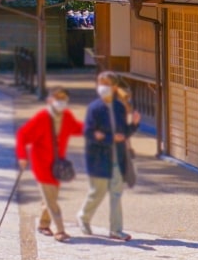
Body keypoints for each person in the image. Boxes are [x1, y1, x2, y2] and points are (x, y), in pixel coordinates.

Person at [16, 86, 82, 239]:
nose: (60, 101)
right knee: (50, 198)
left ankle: (43, 224)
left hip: (57, 165)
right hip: (41, 163)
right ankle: (60, 230)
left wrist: (95, 130)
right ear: (50, 100)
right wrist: (22, 156)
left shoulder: (66, 116)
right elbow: (23, 135)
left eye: (63, 98)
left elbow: (77, 127)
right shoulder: (42, 117)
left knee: (51, 197)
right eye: (57, 98)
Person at [78, 71, 133, 241]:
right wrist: (109, 138)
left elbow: (123, 132)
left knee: (116, 194)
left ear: (114, 87)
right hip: (99, 157)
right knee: (98, 192)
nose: (102, 87)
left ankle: (116, 229)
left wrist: (135, 124)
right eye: (100, 83)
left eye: (106, 84)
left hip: (117, 156)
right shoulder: (94, 108)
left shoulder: (119, 107)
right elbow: (89, 132)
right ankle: (83, 216)